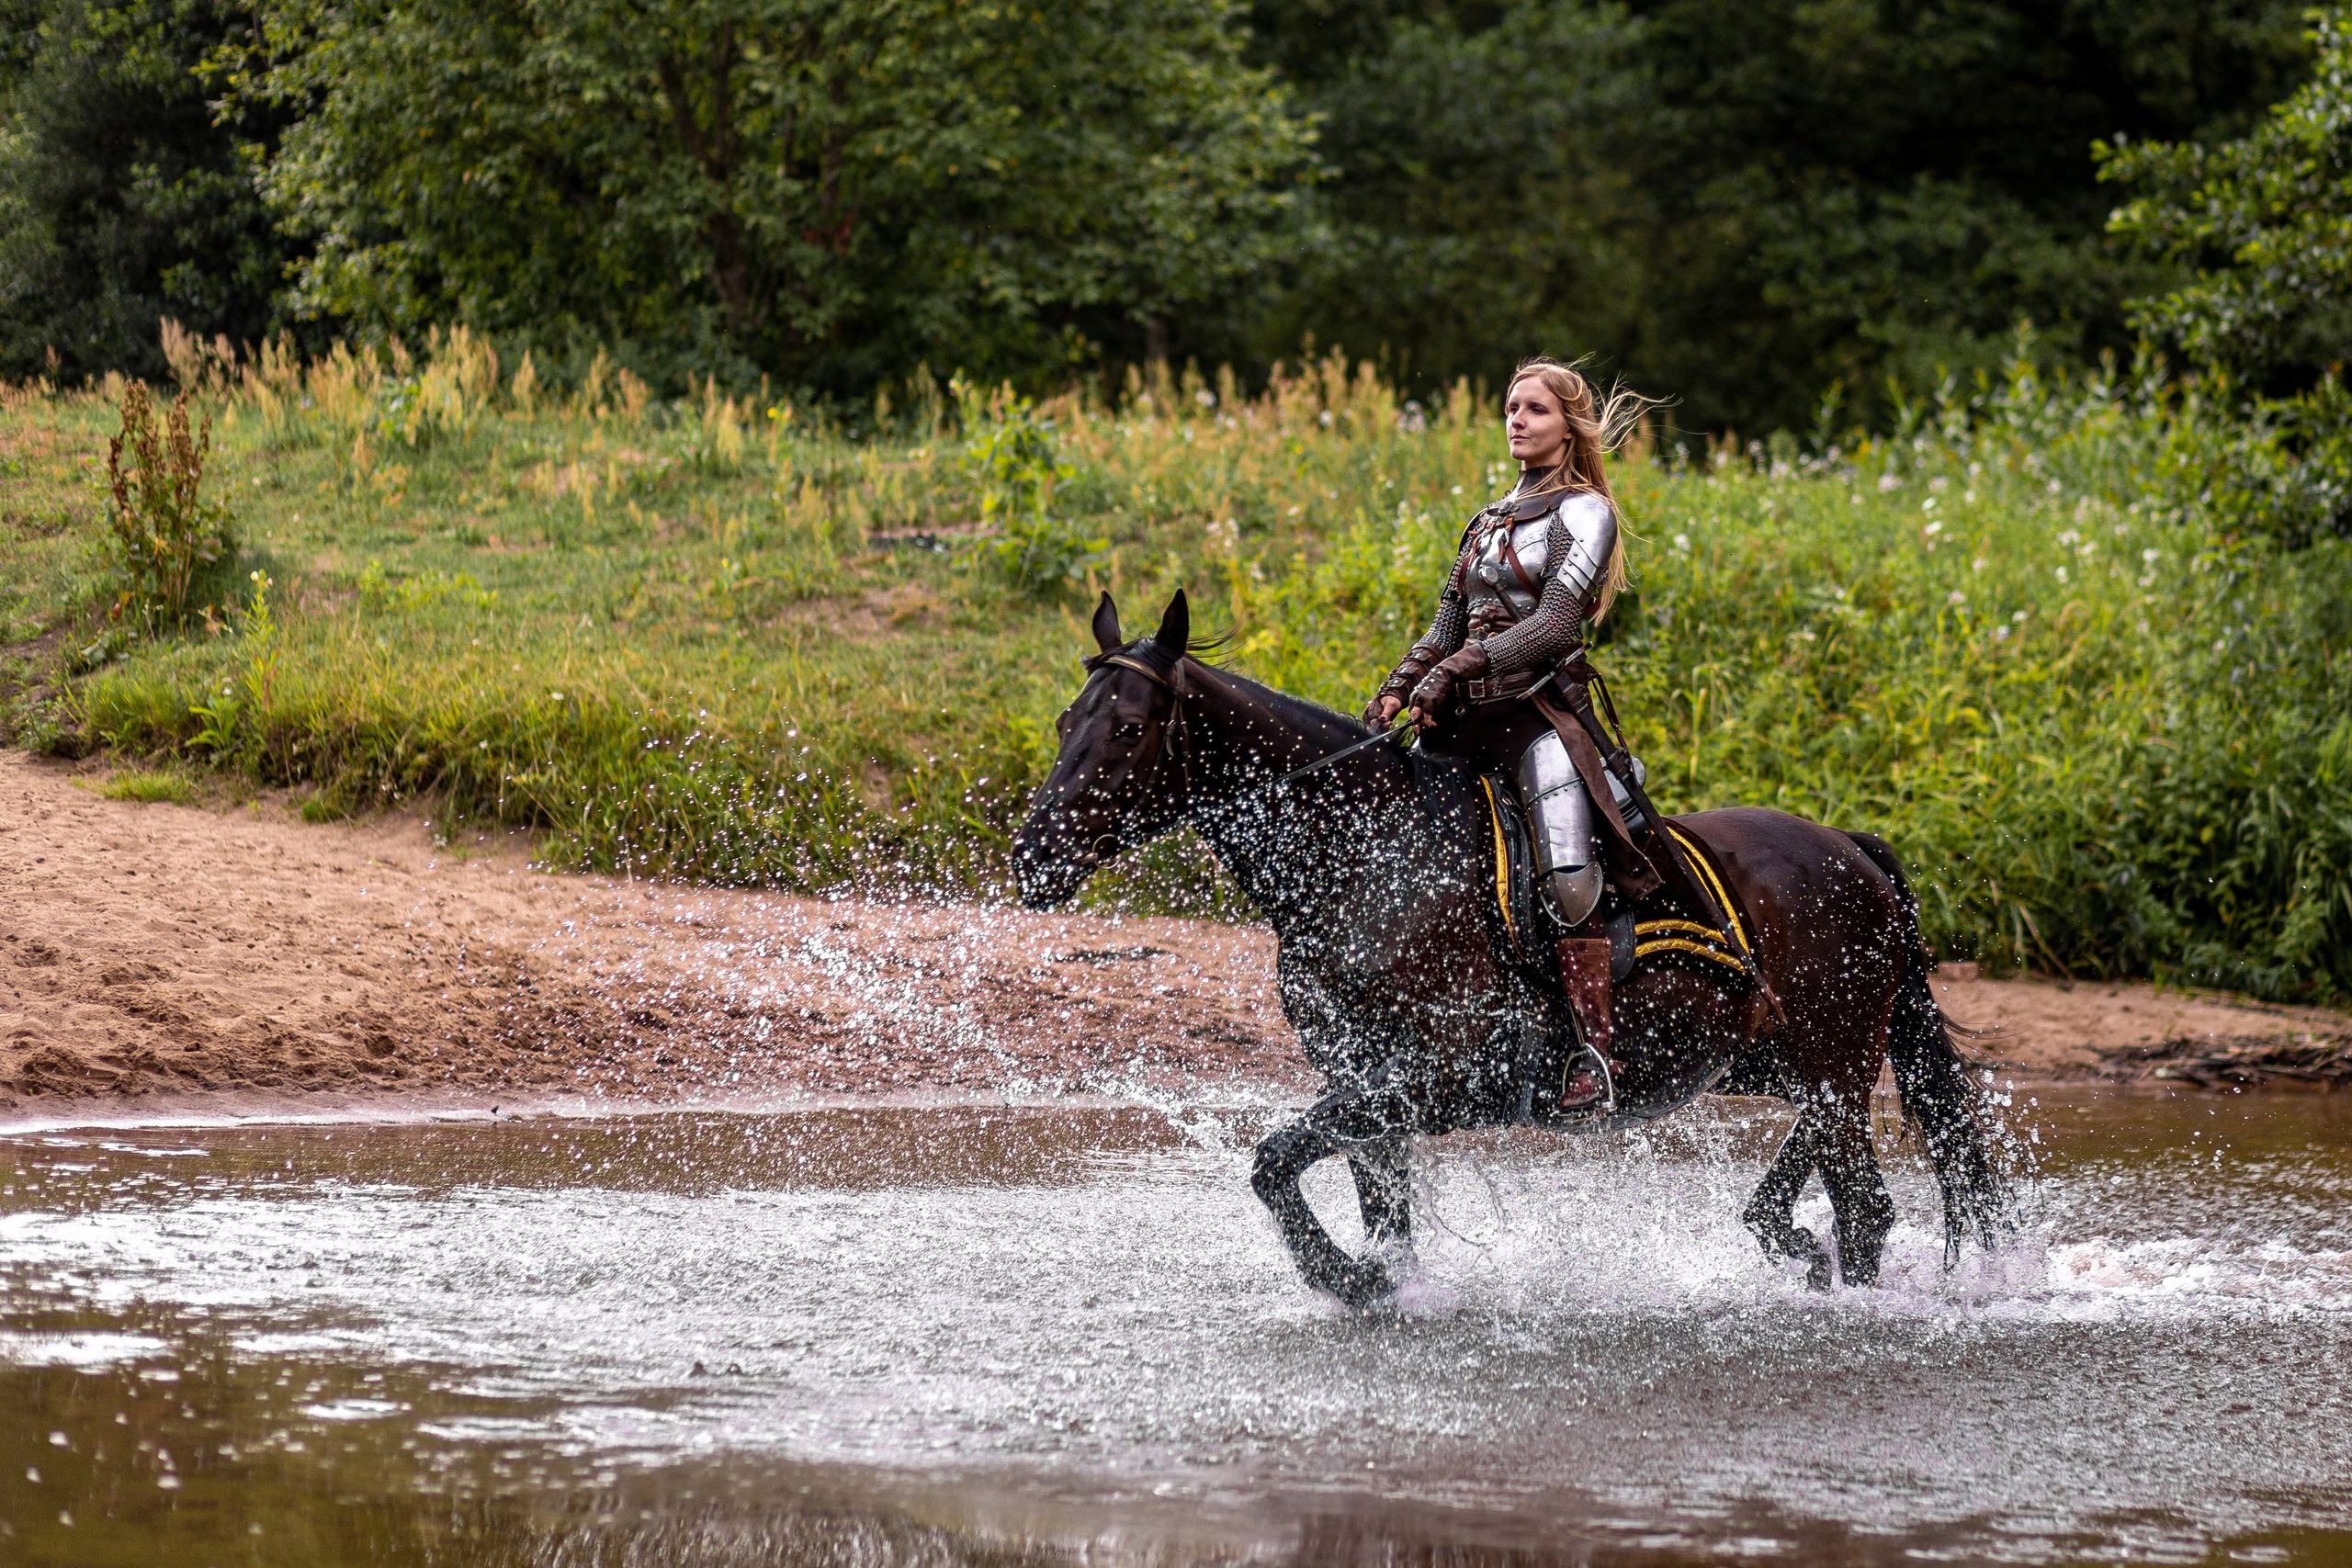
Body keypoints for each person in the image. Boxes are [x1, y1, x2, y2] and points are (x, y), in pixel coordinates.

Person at [1364, 356, 1651, 1111]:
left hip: (1537, 717)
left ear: (1568, 425)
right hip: (1464, 720)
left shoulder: (1585, 512)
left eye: (1534, 410)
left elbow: (1555, 624)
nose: (1517, 420)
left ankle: (1594, 1052)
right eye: (1510, 408)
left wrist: (1459, 664)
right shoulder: (1487, 520)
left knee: (1566, 873)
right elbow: (1443, 625)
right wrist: (1400, 683)